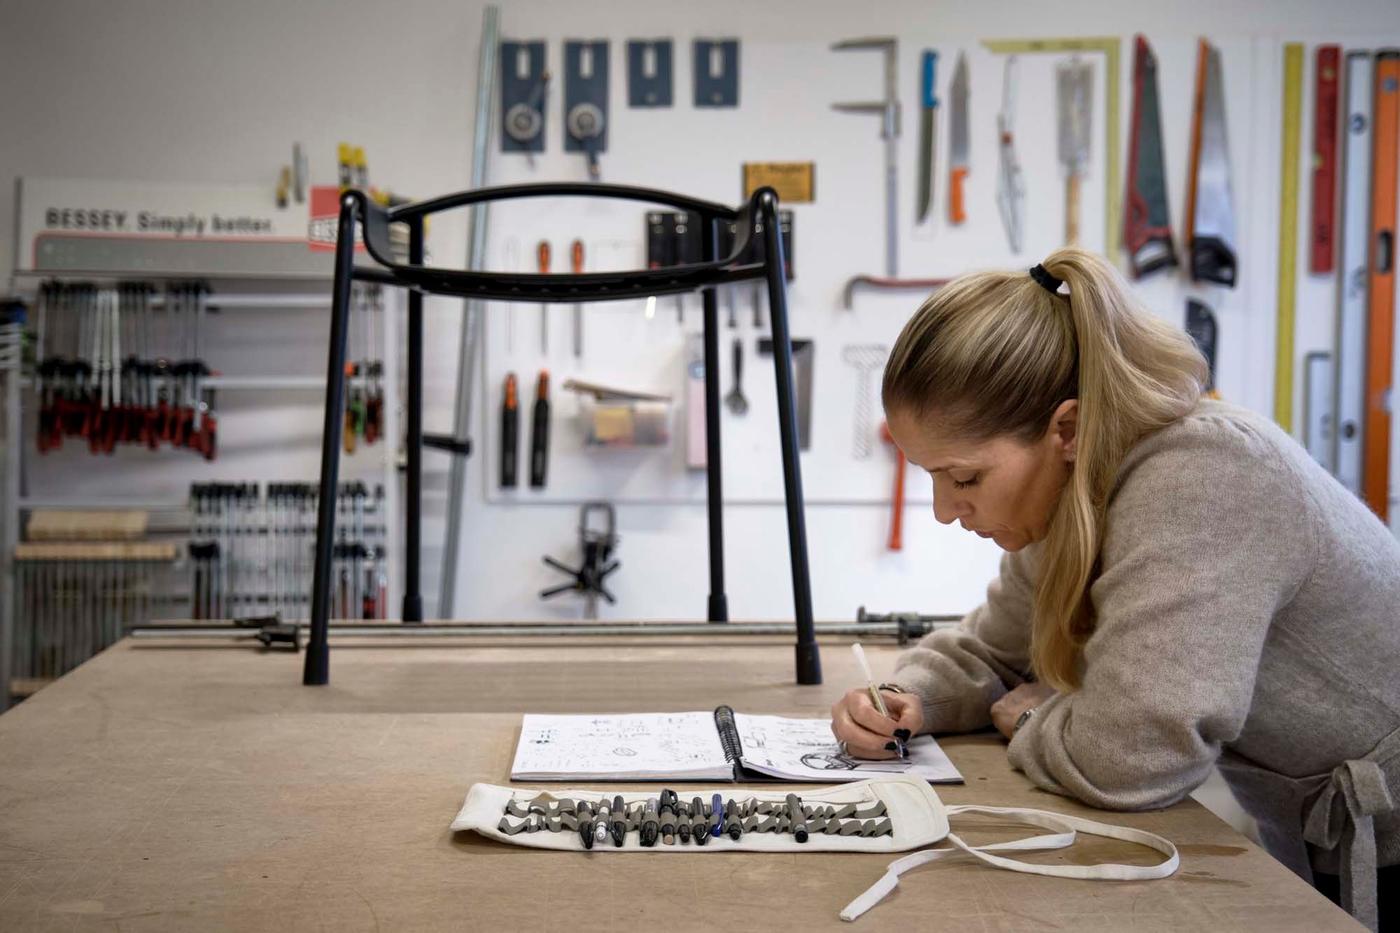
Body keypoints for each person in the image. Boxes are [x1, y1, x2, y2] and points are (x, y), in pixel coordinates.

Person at [829, 249, 1400, 931]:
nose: (945, 511)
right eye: (933, 477)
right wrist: (908, 700)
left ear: (1066, 430)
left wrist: (1037, 718)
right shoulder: (1078, 493)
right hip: (1320, 837)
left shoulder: (1203, 478)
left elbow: (1133, 757)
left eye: (965, 478)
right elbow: (995, 650)